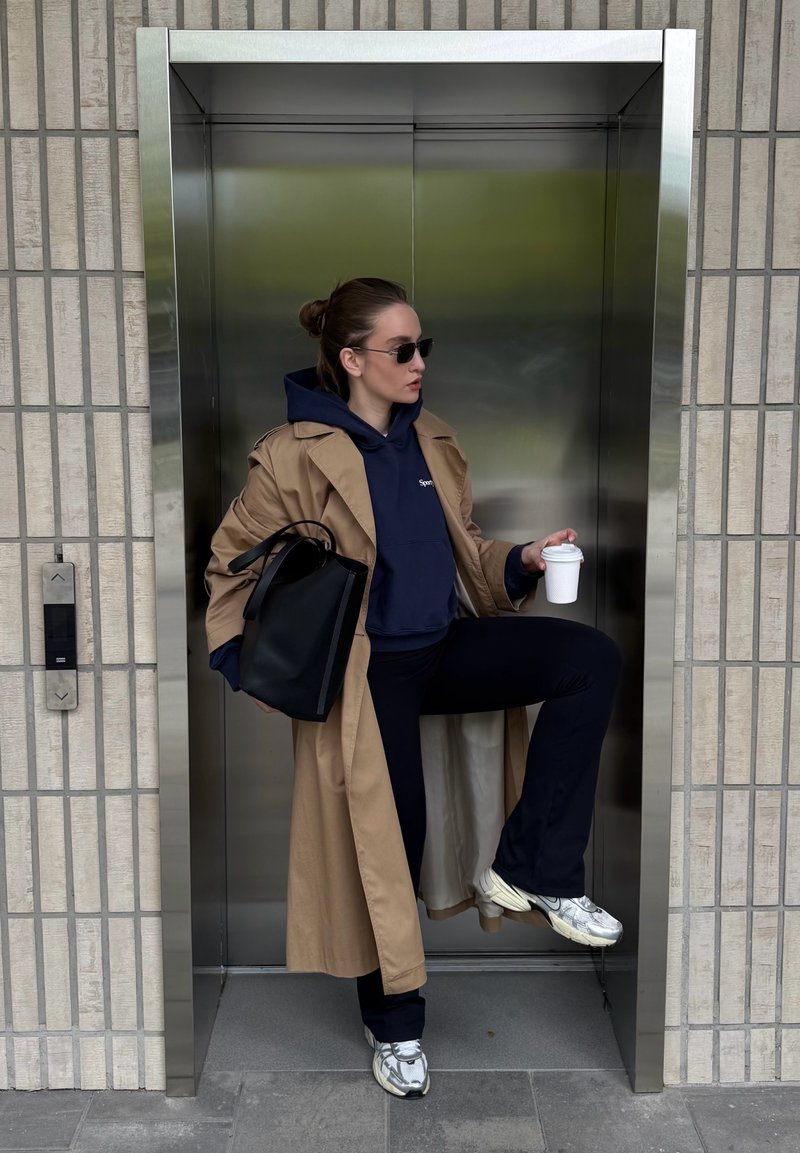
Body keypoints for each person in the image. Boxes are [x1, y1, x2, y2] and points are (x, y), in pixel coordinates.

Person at [204, 276, 623, 1101]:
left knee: (588, 660)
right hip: (364, 677)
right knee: (390, 843)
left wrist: (523, 560)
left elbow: (462, 547)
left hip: (444, 646)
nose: (419, 361)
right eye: (402, 349)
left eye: (423, 345)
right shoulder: (295, 454)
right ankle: (395, 1026)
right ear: (351, 358)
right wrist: (242, 666)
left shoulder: (430, 438)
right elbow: (230, 563)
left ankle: (536, 866)